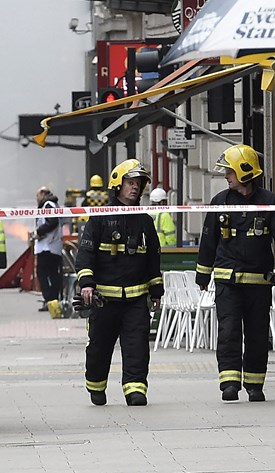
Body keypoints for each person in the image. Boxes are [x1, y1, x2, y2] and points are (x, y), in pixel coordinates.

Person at [194, 144, 275, 403]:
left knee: (257, 334)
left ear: (244, 171)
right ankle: (229, 383)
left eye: (230, 171)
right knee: (228, 331)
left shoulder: (270, 202)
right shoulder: (220, 202)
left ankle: (254, 385)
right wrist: (202, 276)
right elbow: (208, 240)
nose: (226, 176)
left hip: (258, 284)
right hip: (227, 283)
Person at [74, 159, 164, 407]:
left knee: (137, 346)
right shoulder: (100, 218)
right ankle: (96, 385)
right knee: (99, 348)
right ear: (118, 185)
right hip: (104, 299)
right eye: (131, 183)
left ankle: (135, 390)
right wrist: (87, 284)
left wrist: (156, 290)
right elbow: (85, 254)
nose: (135, 188)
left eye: (139, 184)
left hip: (136, 299)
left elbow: (153, 257)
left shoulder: (145, 221)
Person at [34, 186, 63, 318]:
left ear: (43, 194)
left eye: (37, 195)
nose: (36, 198)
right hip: (53, 246)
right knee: (52, 274)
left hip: (48, 246)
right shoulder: (53, 204)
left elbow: (52, 222)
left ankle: (49, 299)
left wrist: (39, 232)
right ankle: (53, 301)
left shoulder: (48, 205)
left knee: (42, 272)